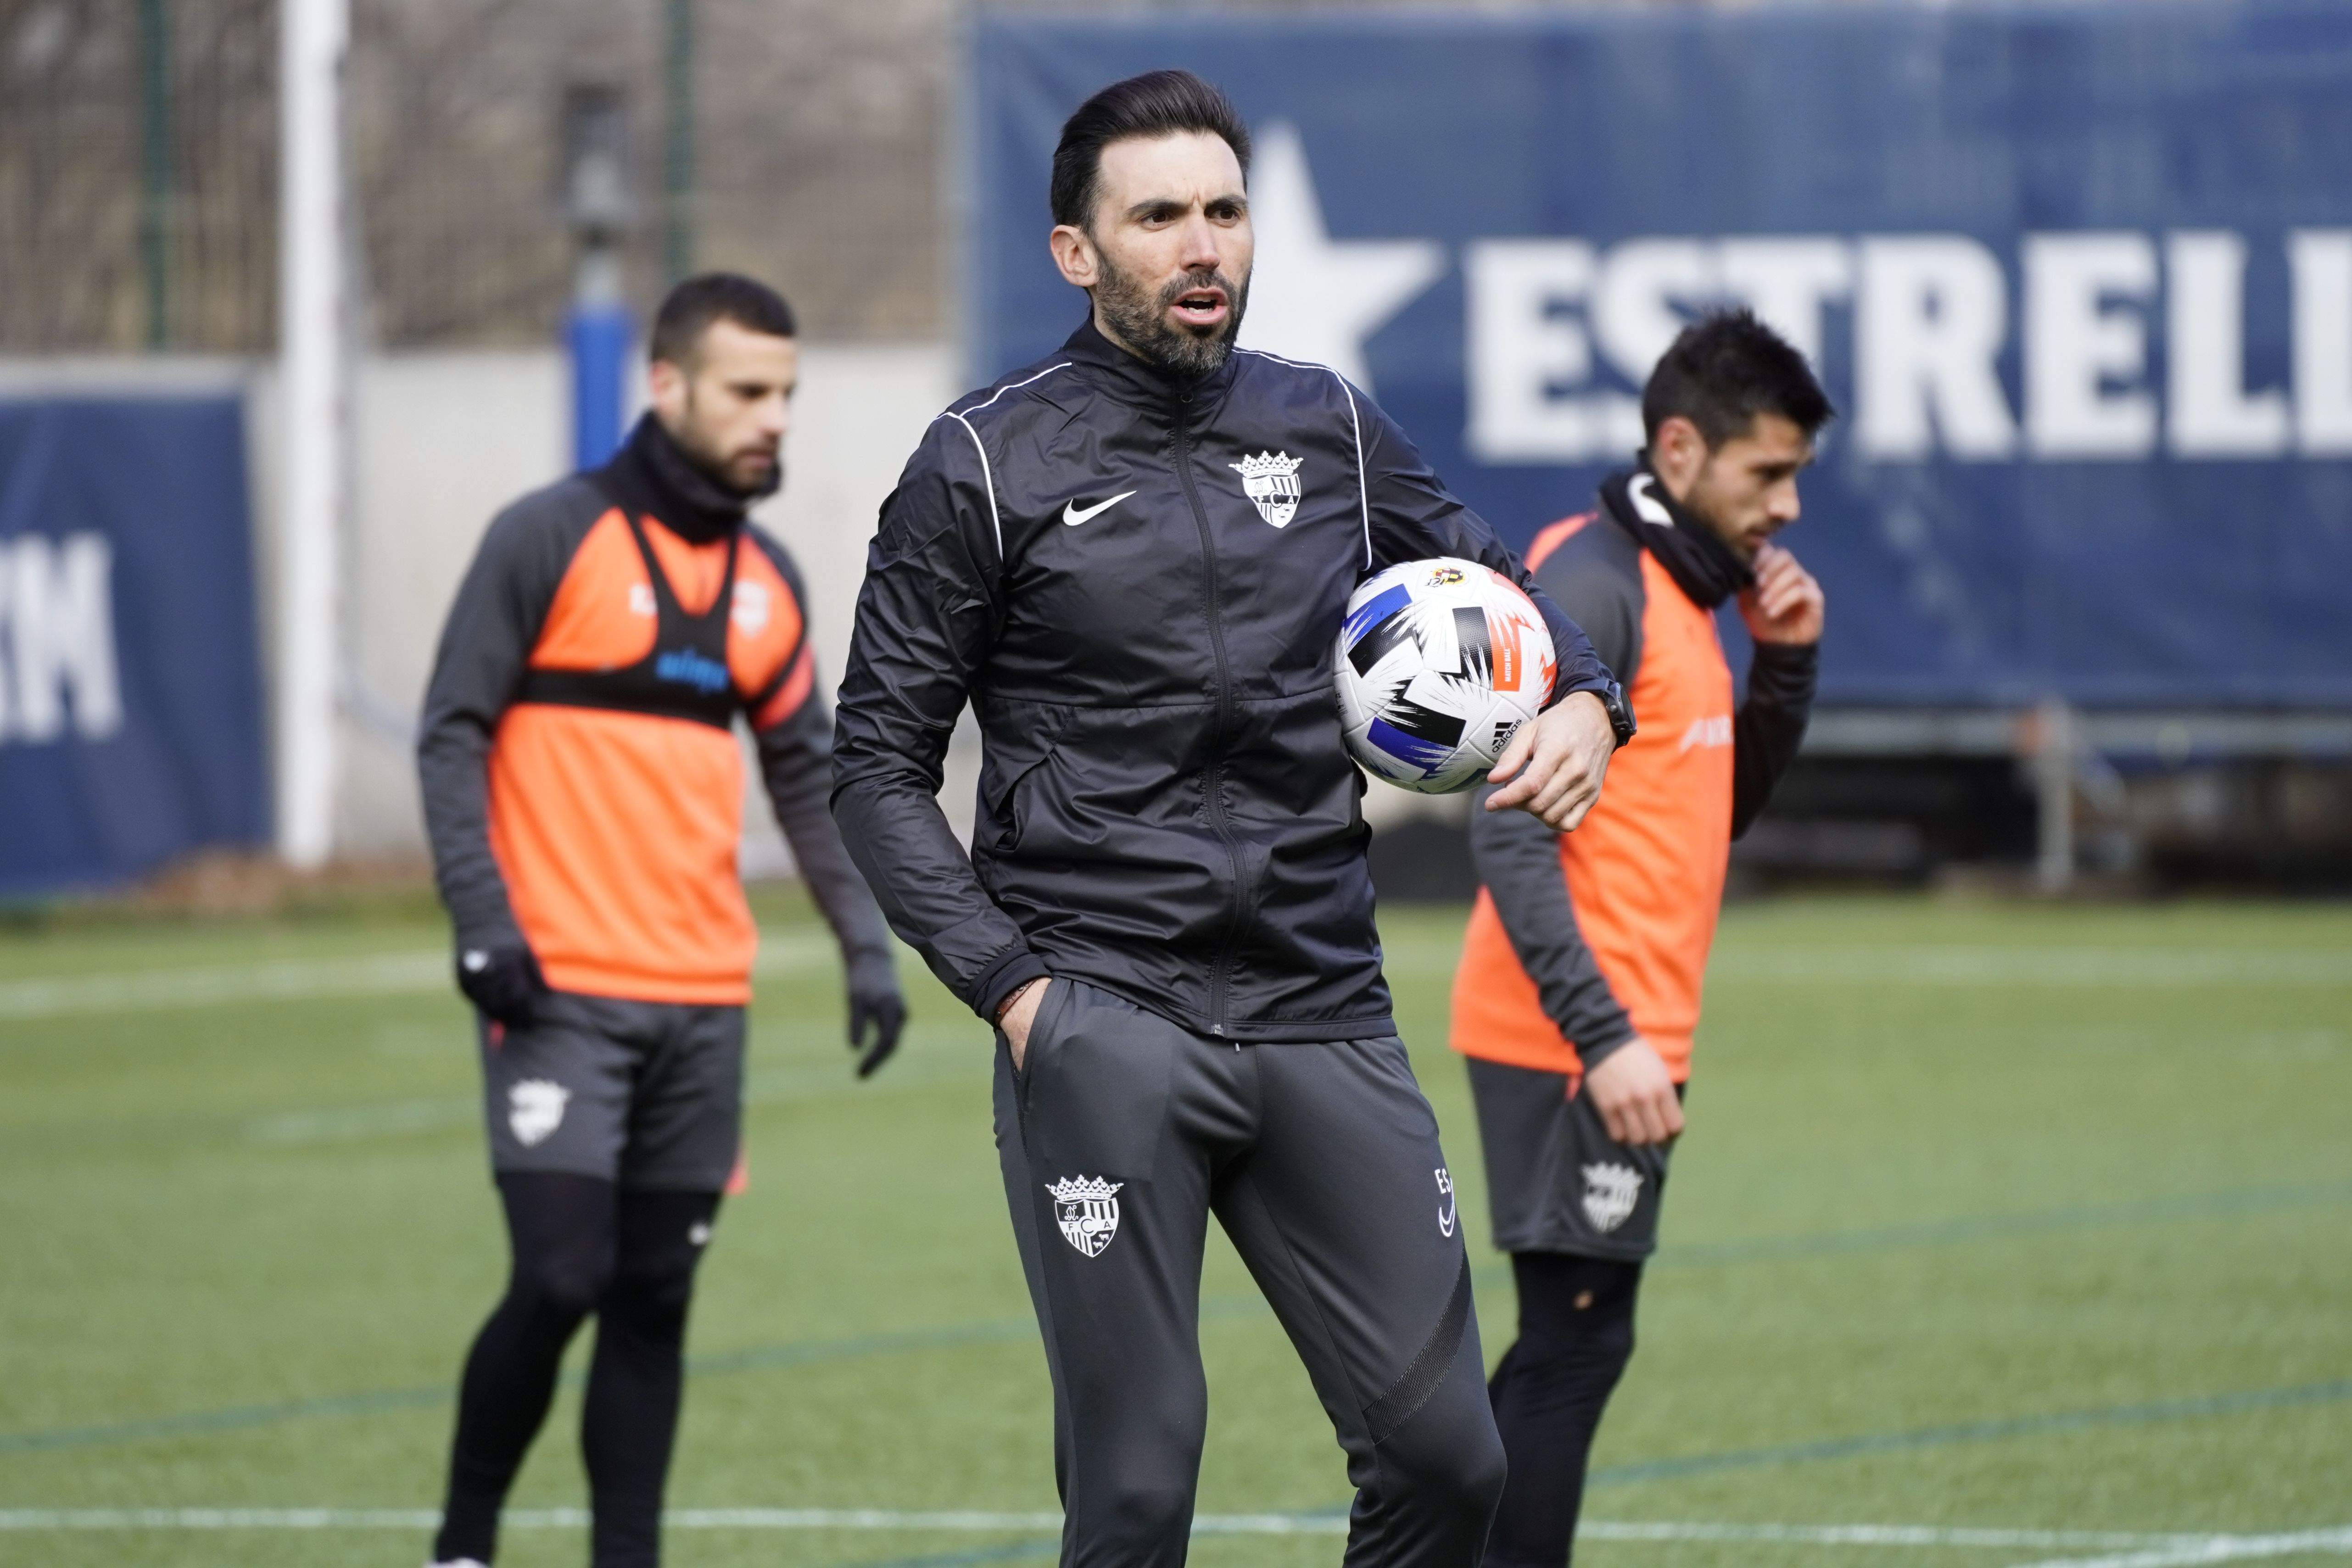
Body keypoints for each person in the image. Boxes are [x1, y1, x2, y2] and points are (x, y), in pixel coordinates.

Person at [831, 70, 1635, 1568]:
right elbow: (873, 764)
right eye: (1159, 218)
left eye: (1224, 210)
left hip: (1324, 1005)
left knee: (1452, 1460)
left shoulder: (1324, 424)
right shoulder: (983, 462)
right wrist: (1020, 997)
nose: (1204, 246)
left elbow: (1486, 566)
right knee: (1137, 1492)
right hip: (1105, 1018)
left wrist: (1585, 692)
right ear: (1078, 251)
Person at [415, 272, 905, 1568]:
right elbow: (452, 730)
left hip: (704, 1001)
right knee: (562, 1275)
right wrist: (481, 919)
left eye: (788, 396)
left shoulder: (767, 580)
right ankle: (463, 1543)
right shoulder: (546, 538)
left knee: (655, 1296)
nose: (772, 420)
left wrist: (866, 941)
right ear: (667, 384)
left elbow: (805, 772)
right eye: (748, 392)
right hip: (556, 990)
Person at [1449, 309, 1831, 1567]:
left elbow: (1706, 814)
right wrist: (1605, 1038)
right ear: (1679, 450)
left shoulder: (1685, 588)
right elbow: (1508, 837)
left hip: (1618, 1037)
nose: (1783, 504)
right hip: (1569, 1041)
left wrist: (1782, 669)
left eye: (1794, 477)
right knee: (1572, 1346)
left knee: (1576, 1342)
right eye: (1764, 473)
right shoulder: (1594, 584)